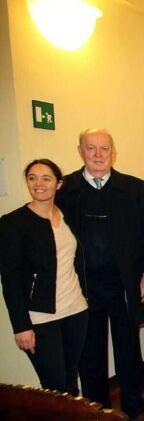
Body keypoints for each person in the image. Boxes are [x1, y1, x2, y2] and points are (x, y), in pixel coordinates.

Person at [56, 128, 144, 421]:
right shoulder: (66, 190)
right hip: (84, 286)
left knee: (128, 348)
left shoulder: (133, 187)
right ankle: (97, 414)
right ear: (80, 151)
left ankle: (134, 409)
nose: (98, 155)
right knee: (90, 352)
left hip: (124, 283)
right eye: (91, 149)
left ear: (113, 152)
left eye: (104, 149)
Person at [0, 159, 88, 395]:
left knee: (70, 378)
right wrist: (21, 326)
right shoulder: (13, 223)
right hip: (40, 318)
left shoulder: (68, 215)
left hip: (76, 310)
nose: (39, 184)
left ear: (58, 184)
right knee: (54, 385)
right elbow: (11, 280)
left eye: (46, 178)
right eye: (32, 178)